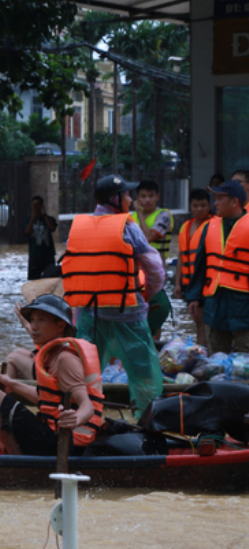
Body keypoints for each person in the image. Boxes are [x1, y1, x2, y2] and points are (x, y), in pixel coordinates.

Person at [61, 174, 164, 416]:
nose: (130, 199)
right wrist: (145, 297)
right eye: (127, 194)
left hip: (90, 316)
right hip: (128, 314)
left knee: (87, 373)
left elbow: (75, 273)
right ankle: (149, 422)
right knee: (144, 375)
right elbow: (156, 271)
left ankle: (86, 421)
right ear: (115, 199)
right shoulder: (128, 227)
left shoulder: (78, 227)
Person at [0, 295, 104, 455]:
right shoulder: (51, 353)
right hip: (54, 436)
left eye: (41, 320)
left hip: (65, 444)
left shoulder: (65, 358)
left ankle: (20, 463)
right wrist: (11, 384)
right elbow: (44, 399)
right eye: (32, 320)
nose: (34, 326)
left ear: (60, 326)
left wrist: (77, 418)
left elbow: (87, 406)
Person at [186, 180, 249, 354]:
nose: (215, 203)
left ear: (234, 202)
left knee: (244, 354)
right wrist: (194, 297)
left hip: (243, 303)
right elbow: (201, 265)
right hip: (215, 301)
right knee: (216, 354)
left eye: (219, 198)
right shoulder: (210, 227)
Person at [130, 180, 172, 339]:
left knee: (155, 310)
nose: (147, 200)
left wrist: (140, 214)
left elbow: (147, 238)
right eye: (143, 196)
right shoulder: (130, 216)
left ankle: (154, 348)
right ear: (137, 199)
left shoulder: (164, 215)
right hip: (136, 275)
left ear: (157, 197)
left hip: (155, 274)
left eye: (150, 196)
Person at [173, 189, 213, 347]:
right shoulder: (185, 227)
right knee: (198, 323)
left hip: (205, 283)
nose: (199, 209)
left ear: (209, 206)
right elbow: (182, 258)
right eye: (196, 206)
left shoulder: (213, 225)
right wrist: (177, 284)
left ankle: (203, 354)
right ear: (190, 207)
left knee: (203, 324)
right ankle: (202, 353)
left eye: (203, 205)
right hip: (188, 283)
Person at [24, 195, 58, 280]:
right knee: (34, 281)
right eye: (34, 204)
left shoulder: (49, 219)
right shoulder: (28, 220)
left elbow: (52, 228)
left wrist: (44, 215)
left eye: (38, 204)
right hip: (35, 256)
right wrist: (32, 218)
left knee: (50, 280)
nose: (36, 207)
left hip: (48, 255)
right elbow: (27, 232)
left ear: (42, 205)